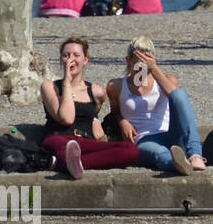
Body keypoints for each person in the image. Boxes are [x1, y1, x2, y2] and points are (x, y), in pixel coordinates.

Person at [40, 37, 140, 179]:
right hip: (59, 138)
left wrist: (96, 121)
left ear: (85, 60)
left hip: (86, 141)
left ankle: (74, 163)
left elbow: (93, 113)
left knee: (131, 151)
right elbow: (66, 118)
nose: (70, 59)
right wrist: (67, 82)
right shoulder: (50, 87)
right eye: (66, 55)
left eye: (76, 55)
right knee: (64, 150)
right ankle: (69, 161)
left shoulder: (96, 92)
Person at [107, 36, 208, 175]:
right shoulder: (116, 86)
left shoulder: (167, 80)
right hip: (143, 139)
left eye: (146, 62)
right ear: (128, 61)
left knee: (179, 94)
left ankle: (195, 155)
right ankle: (178, 165)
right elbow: (115, 112)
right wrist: (122, 121)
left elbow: (178, 101)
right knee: (159, 153)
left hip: (170, 133)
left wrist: (154, 69)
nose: (142, 68)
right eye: (138, 63)